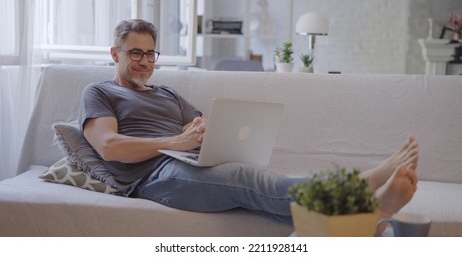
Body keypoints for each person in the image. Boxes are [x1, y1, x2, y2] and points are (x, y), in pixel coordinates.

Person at [79, 19, 419, 228]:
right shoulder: (100, 92)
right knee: (247, 178)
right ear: (115, 54)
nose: (144, 62)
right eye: (135, 53)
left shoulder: (166, 92)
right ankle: (360, 189)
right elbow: (109, 147)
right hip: (152, 176)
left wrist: (197, 131)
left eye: (150, 54)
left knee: (262, 189)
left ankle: (369, 216)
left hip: (189, 161)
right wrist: (175, 143)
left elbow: (197, 123)